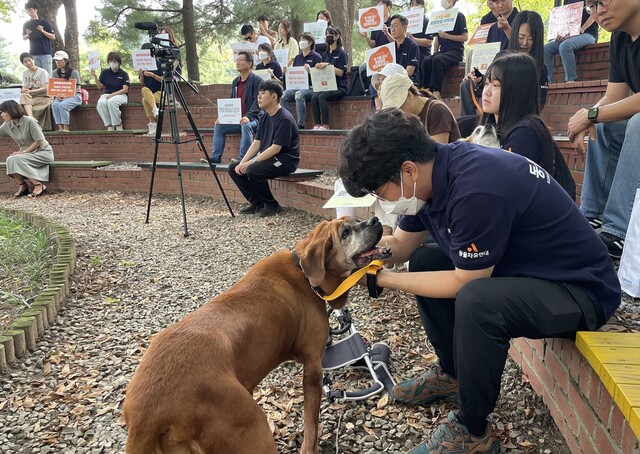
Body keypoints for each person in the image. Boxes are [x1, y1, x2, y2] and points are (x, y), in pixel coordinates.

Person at [337, 108, 620, 454]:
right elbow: (403, 246)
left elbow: (463, 283)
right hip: (530, 271)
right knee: (426, 258)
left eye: (380, 191)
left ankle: (472, 431)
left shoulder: (475, 189)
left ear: (407, 170)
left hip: (580, 291)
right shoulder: (430, 176)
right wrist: (366, 254)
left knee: (478, 300)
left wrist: (387, 280)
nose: (383, 201)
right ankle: (453, 374)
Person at [567, 0, 640, 259]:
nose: (598, 12)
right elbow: (614, 96)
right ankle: (592, 218)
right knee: (606, 123)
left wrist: (592, 114)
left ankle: (617, 233)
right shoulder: (620, 39)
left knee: (637, 122)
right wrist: (590, 118)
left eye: (603, 1)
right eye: (592, 6)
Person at [481, 52, 575, 199]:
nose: (486, 92)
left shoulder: (525, 132)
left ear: (517, 89)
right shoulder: (493, 126)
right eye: (486, 83)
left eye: (496, 85)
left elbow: (505, 189)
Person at [228, 80, 299, 217]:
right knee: (234, 168)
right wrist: (243, 161)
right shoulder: (265, 116)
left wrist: (250, 163)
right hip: (271, 158)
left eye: (263, 93)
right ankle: (257, 202)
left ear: (274, 97)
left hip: (285, 160)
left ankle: (271, 204)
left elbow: (275, 149)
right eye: (258, 94)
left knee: (253, 170)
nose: (258, 97)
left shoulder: (284, 118)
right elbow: (256, 143)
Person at [459, 11, 547, 122]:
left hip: (516, 120)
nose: (525, 43)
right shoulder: (502, 59)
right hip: (493, 118)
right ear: (514, 35)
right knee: (461, 122)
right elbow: (487, 85)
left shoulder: (538, 69)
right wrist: (479, 79)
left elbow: (538, 105)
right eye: (521, 37)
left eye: (531, 39)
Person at [207, 51, 261, 164]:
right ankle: (216, 157)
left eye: (241, 60)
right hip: (238, 118)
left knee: (246, 125)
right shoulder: (235, 82)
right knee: (219, 126)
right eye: (237, 60)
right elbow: (232, 101)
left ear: (249, 63)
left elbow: (258, 101)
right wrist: (223, 117)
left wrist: (248, 116)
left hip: (255, 119)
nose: (237, 62)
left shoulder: (257, 81)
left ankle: (243, 158)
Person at [381, 73, 461, 143]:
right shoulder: (405, 118)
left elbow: (440, 145)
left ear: (410, 95)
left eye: (400, 107)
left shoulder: (437, 110)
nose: (397, 113)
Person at [1, 100, 54, 197]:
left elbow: (39, 140)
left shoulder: (29, 121)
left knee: (16, 158)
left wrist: (23, 152)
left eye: (4, 112)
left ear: (11, 111)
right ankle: (23, 186)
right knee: (10, 159)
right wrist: (22, 153)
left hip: (42, 152)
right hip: (26, 155)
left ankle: (39, 185)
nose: (2, 115)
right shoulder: (7, 124)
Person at [419, 0, 467, 99]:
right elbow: (436, 39)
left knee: (438, 60)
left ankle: (436, 91)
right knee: (427, 61)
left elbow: (465, 37)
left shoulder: (459, 16)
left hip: (456, 51)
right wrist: (434, 53)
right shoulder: (439, 17)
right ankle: (426, 90)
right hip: (443, 51)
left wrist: (447, 36)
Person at [544, 0, 598, 83]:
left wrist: (581, 29)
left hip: (588, 34)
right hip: (570, 36)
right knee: (546, 49)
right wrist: (560, 34)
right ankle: (547, 81)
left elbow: (594, 14)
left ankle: (570, 79)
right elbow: (565, 19)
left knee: (565, 46)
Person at [281, 32, 322, 129]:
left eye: (304, 40)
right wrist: (286, 71)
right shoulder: (297, 58)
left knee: (299, 95)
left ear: (310, 42)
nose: (301, 42)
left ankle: (300, 124)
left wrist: (310, 71)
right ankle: (290, 121)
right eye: (300, 40)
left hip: (311, 87)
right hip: (297, 86)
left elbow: (320, 77)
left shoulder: (316, 57)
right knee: (283, 95)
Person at [310, 26, 348, 130]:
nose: (327, 37)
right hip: (327, 85)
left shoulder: (342, 54)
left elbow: (341, 72)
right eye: (326, 35)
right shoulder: (325, 54)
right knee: (314, 97)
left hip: (339, 87)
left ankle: (325, 125)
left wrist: (328, 65)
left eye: (330, 35)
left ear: (336, 37)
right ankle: (317, 124)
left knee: (322, 97)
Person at [358, 0, 393, 93]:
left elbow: (397, 42)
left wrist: (386, 33)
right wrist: (366, 37)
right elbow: (373, 45)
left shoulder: (393, 22)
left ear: (389, 7)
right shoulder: (376, 24)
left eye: (381, 6)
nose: (379, 9)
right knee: (362, 68)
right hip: (378, 58)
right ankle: (367, 91)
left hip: (390, 57)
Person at [91, 52, 129, 131]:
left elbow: (125, 89)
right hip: (106, 94)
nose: (113, 63)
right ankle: (109, 124)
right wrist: (95, 77)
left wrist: (113, 95)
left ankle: (118, 124)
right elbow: (100, 87)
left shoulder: (124, 74)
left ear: (119, 62)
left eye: (115, 61)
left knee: (111, 102)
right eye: (111, 61)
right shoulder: (105, 73)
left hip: (121, 95)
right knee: (101, 103)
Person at [19, 52, 52, 130]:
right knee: (23, 96)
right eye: (25, 62)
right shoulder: (25, 73)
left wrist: (31, 92)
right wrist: (24, 90)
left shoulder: (42, 72)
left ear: (33, 60)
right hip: (32, 97)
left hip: (43, 96)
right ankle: (32, 119)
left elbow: (46, 88)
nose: (28, 63)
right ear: (23, 64)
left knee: (23, 104)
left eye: (29, 60)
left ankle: (31, 121)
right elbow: (24, 87)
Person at [50, 50, 81, 133]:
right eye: (56, 60)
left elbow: (78, 87)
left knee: (63, 105)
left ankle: (66, 128)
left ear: (66, 61)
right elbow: (54, 87)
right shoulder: (54, 73)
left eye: (60, 60)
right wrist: (57, 95)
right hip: (60, 96)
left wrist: (67, 96)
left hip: (74, 96)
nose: (58, 62)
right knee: (55, 105)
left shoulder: (74, 72)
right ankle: (60, 128)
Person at [22, 1, 54, 70]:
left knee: (47, 75)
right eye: (27, 10)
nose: (29, 12)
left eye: (30, 9)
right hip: (34, 53)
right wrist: (28, 34)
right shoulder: (26, 24)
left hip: (45, 53)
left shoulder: (45, 23)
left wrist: (43, 31)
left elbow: (53, 37)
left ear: (36, 10)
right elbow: (24, 38)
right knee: (37, 76)